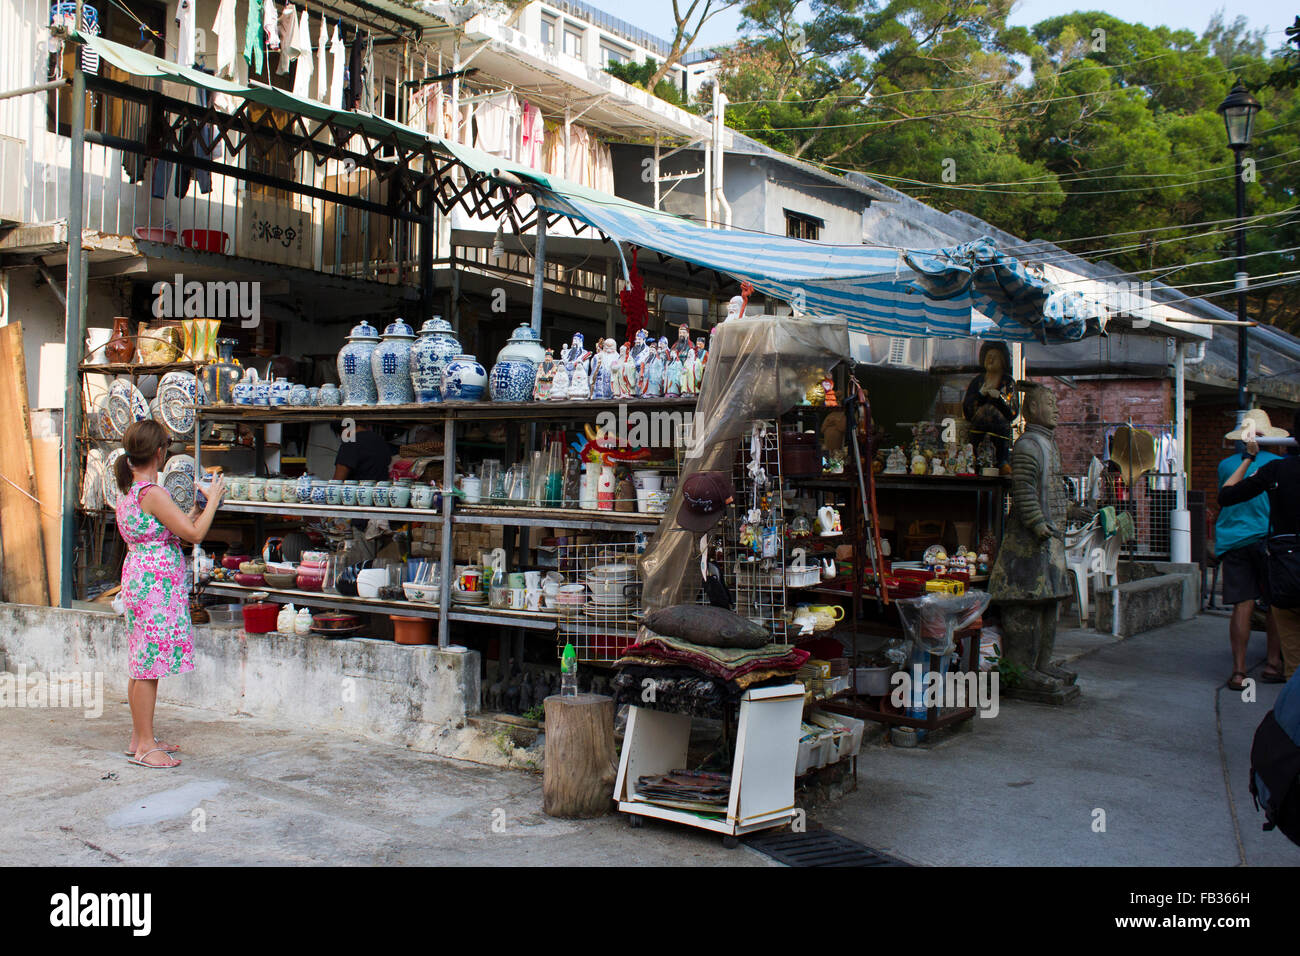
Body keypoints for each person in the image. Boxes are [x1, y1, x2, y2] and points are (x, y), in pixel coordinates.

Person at [114, 420, 224, 769]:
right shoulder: (154, 493)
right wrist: (214, 502)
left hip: (140, 580)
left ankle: (139, 738)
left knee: (141, 663)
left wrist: (196, 508)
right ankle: (146, 746)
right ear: (160, 452)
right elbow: (194, 534)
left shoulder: (131, 491)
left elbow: (171, 526)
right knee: (148, 667)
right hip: (154, 587)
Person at [1220, 409, 1300, 680]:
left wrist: (1248, 458)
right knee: (1273, 608)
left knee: (1245, 605)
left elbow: (1226, 495)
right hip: (1268, 543)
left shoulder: (1232, 465)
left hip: (1241, 543)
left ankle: (1239, 671)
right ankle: (1272, 664)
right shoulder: (1276, 462)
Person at [962, 341, 1019, 470]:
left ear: (1003, 361)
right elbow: (967, 410)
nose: (991, 360)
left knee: (1000, 464)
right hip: (977, 434)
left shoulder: (1007, 382)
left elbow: (1013, 411)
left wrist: (1000, 398)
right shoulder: (977, 382)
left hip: (999, 436)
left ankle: (1002, 462)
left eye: (995, 357)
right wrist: (980, 395)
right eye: (989, 356)